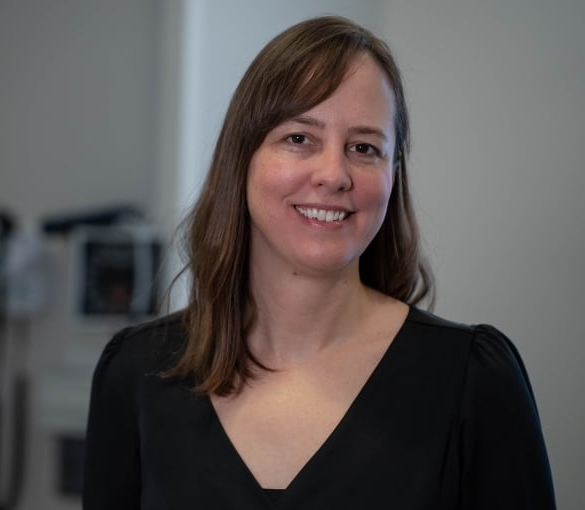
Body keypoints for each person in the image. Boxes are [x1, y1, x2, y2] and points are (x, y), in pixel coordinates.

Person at [82, 16, 556, 509]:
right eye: (299, 138)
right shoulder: (137, 373)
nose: (334, 175)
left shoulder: (473, 380)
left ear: (393, 177)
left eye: (364, 148)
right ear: (241, 158)